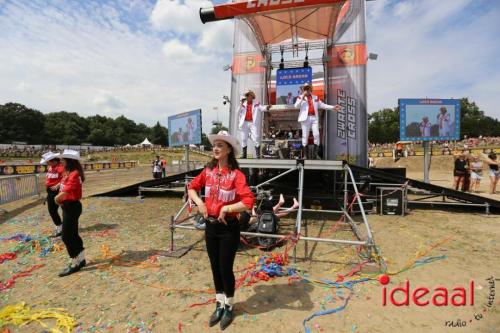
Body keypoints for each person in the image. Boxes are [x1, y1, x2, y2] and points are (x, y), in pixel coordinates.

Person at [187, 131, 255, 330]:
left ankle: (229, 306)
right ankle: (219, 303)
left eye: (220, 145)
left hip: (228, 228)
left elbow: (249, 201)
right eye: (214, 145)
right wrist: (199, 202)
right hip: (210, 227)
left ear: (228, 151)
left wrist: (228, 208)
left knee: (226, 268)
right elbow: (191, 187)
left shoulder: (236, 175)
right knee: (215, 267)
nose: (215, 148)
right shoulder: (207, 172)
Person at [54, 149, 86, 277]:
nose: (60, 161)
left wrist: (57, 198)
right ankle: (81, 259)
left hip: (72, 206)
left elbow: (67, 190)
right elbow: (63, 186)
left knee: (66, 236)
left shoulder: (74, 174)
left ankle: (74, 262)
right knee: (72, 233)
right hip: (67, 206)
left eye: (63, 159)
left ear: (69, 161)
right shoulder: (67, 172)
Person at [294, 82, 340, 159]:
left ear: (310, 89)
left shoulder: (315, 97)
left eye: (308, 88)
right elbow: (296, 106)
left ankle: (315, 155)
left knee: (316, 134)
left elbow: (323, 105)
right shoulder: (300, 97)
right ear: (303, 90)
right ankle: (305, 156)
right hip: (305, 119)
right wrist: (302, 97)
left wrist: (333, 107)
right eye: (305, 89)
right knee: (305, 136)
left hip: (314, 118)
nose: (307, 90)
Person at [237, 90, 270, 158]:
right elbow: (237, 112)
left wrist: (267, 107)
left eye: (248, 95)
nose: (247, 97)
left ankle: (258, 155)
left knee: (256, 137)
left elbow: (262, 108)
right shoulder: (243, 104)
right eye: (246, 95)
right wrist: (241, 103)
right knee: (243, 138)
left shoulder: (256, 103)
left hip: (253, 123)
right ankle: (244, 155)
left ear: (251, 96)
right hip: (244, 123)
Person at [41, 152, 65, 237]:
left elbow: (65, 178)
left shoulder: (60, 167)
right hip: (50, 191)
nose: (47, 163)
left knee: (53, 210)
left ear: (53, 161)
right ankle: (60, 226)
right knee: (52, 210)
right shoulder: (50, 167)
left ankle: (60, 227)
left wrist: (57, 185)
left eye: (48, 162)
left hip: (57, 191)